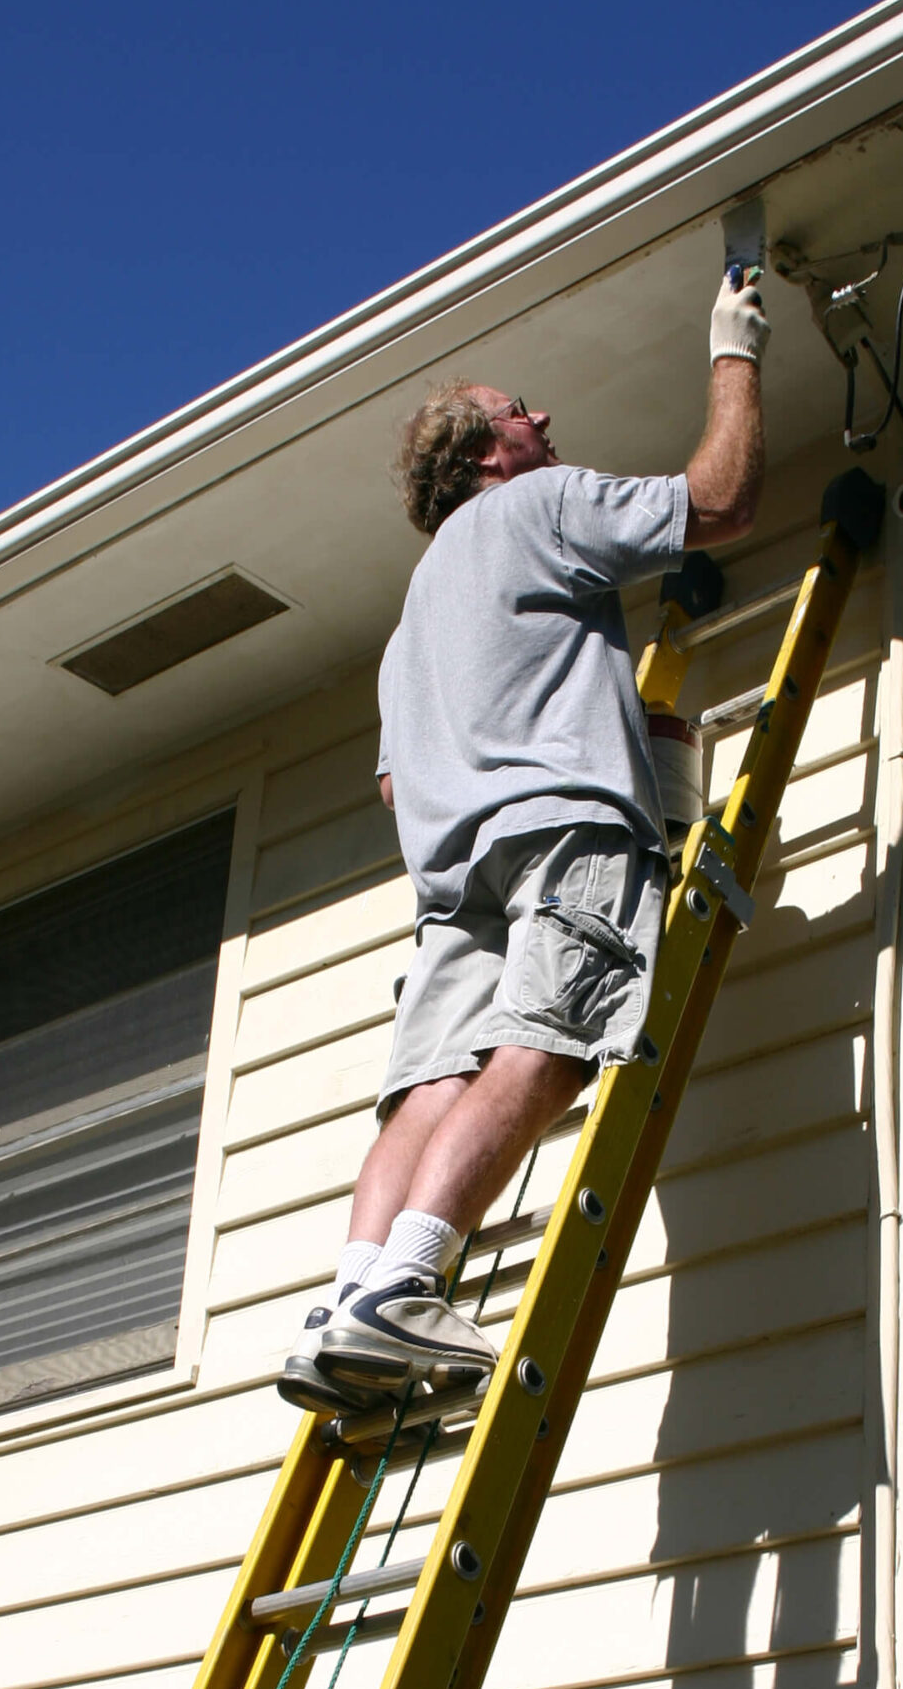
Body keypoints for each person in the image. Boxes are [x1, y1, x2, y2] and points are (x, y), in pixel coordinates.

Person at [280, 269, 770, 1415]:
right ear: (483, 456)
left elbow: (404, 785)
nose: (542, 421)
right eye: (519, 412)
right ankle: (409, 1282)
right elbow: (723, 498)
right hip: (560, 837)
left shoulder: (409, 629)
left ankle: (351, 1293)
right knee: (546, 1047)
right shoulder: (534, 510)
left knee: (429, 1086)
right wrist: (734, 350)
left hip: (455, 879)